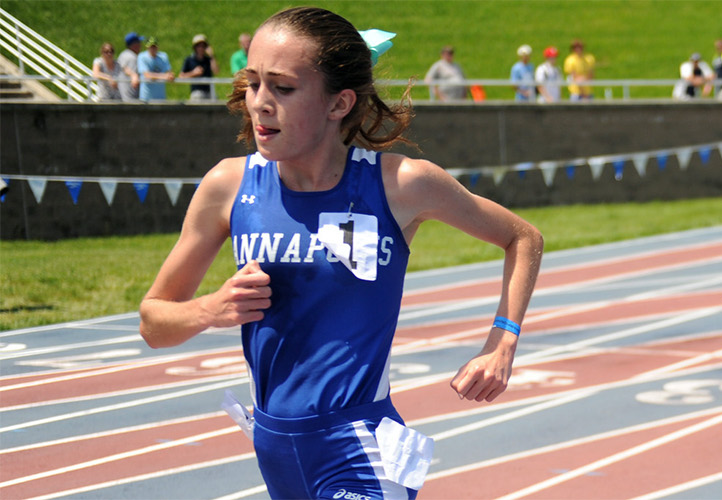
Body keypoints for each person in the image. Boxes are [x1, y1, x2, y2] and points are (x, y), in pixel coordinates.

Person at [137, 7, 543, 499]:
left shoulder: (399, 184)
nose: (260, 103)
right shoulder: (228, 186)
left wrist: (502, 341)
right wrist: (208, 310)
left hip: (361, 445)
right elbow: (153, 323)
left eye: (283, 88)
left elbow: (522, 237)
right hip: (274, 446)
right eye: (253, 83)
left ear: (339, 103)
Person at [181, 34, 219, 101]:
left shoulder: (208, 60)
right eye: (199, 46)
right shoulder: (189, 60)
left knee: (215, 99)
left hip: (209, 91)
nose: (201, 48)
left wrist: (212, 56)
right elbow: (181, 76)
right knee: (198, 97)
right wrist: (193, 73)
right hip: (197, 92)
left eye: (203, 46)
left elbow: (216, 71)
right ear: (195, 47)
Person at [136, 37, 175, 102]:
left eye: (154, 47)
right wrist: (164, 76)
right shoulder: (142, 57)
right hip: (146, 97)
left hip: (161, 97)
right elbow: (147, 75)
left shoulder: (163, 56)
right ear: (147, 47)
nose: (153, 49)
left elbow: (169, 72)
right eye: (151, 47)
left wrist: (171, 76)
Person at [118, 32, 142, 101]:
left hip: (122, 96)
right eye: (139, 42)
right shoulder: (132, 58)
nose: (141, 45)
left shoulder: (123, 54)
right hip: (131, 97)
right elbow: (128, 71)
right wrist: (133, 75)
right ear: (134, 45)